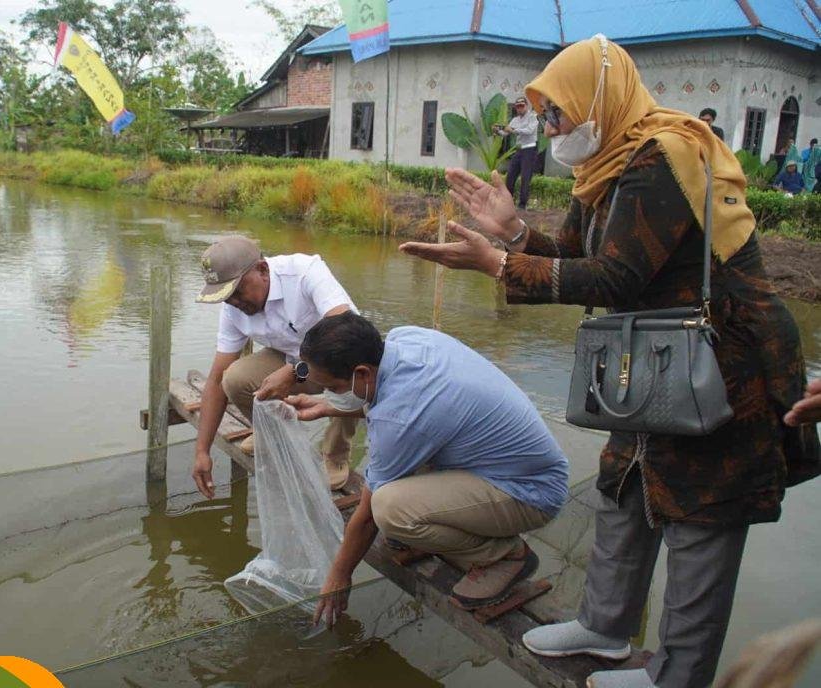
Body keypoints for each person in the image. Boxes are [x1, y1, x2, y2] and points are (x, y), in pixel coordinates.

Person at [400, 34, 818, 688]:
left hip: (719, 368)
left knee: (702, 518)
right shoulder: (603, 166)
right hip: (651, 363)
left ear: (600, 99)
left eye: (557, 113)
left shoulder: (663, 157)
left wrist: (502, 264)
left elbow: (616, 278)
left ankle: (677, 676)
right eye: (544, 117)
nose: (550, 129)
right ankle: (605, 626)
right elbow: (575, 256)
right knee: (622, 489)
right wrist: (512, 234)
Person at [286, 312, 569, 622]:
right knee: (395, 492)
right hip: (511, 464)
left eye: (336, 388)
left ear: (362, 373)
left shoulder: (403, 415)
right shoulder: (404, 339)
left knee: (389, 510)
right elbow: (400, 408)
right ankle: (445, 531)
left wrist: (339, 575)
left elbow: (367, 518)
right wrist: (331, 407)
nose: (334, 394)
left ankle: (505, 556)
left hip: (529, 492)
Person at [191, 235, 358, 498]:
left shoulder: (305, 272)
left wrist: (295, 371)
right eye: (226, 296)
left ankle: (336, 454)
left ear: (262, 270)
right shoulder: (234, 307)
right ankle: (270, 433)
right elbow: (215, 380)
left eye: (238, 291)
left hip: (340, 355)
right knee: (233, 378)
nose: (234, 302)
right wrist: (202, 450)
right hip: (290, 357)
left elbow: (347, 334)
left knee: (351, 369)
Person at [496, 97, 540, 208]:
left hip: (530, 149)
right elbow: (506, 133)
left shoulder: (533, 117)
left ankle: (522, 205)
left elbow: (529, 131)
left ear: (526, 106)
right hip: (519, 150)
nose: (519, 108)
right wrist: (498, 131)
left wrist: (514, 130)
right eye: (518, 106)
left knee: (525, 177)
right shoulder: (515, 120)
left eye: (522, 106)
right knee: (510, 175)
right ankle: (508, 202)